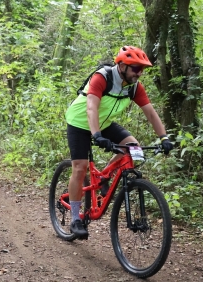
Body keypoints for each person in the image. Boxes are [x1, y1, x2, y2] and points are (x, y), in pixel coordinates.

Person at [65, 45, 174, 239]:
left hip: (104, 122)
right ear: (122, 65)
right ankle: (75, 219)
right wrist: (96, 135)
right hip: (80, 121)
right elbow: (91, 107)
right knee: (80, 168)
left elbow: (150, 112)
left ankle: (103, 176)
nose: (139, 73)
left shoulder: (134, 87)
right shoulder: (102, 77)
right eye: (136, 68)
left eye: (142, 69)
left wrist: (163, 137)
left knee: (133, 148)